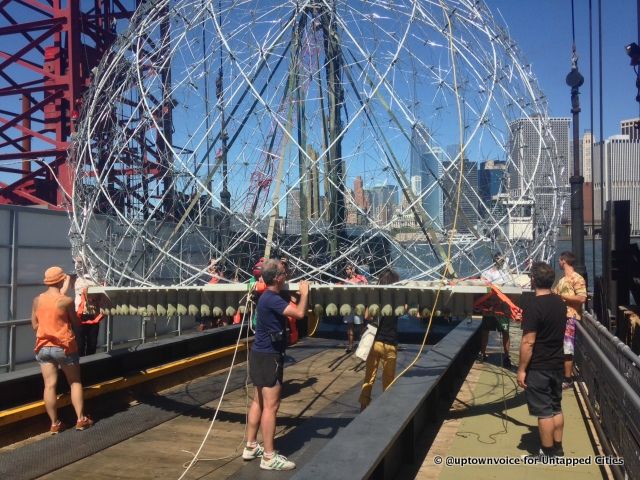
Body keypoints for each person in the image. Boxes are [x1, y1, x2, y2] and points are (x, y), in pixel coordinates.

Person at [244, 259, 309, 471]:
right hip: (270, 356)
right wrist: (305, 293)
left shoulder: (267, 297)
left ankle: (251, 445)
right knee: (271, 406)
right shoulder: (272, 299)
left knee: (258, 401)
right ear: (279, 278)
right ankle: (269, 457)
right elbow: (299, 314)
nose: (287, 273)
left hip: (258, 353)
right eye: (284, 272)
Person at [32, 266, 94, 433]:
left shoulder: (37, 300)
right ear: (60, 280)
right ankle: (81, 419)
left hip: (43, 347)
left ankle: (54, 424)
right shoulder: (66, 301)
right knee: (74, 382)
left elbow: (35, 325)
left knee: (50, 386)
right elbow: (76, 322)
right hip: (64, 347)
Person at [517, 261, 567, 458]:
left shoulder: (534, 307)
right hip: (557, 362)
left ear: (533, 280)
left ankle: (546, 453)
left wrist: (521, 369)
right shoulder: (559, 303)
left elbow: (528, 342)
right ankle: (558, 448)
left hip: (539, 365)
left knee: (544, 411)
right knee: (556, 406)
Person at [359, 268, 400, 411]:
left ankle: (363, 407)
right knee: (388, 380)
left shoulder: (376, 298)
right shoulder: (397, 299)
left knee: (369, 378)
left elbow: (366, 317)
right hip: (391, 344)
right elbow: (408, 310)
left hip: (375, 343)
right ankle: (386, 409)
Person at [552, 251, 587, 389]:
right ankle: (563, 375)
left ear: (563, 261)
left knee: (568, 349)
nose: (559, 263)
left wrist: (563, 297)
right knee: (562, 347)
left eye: (560, 261)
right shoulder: (562, 280)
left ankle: (568, 378)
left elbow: (582, 298)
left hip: (571, 318)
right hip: (561, 317)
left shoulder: (577, 278)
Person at [479, 253, 512, 367]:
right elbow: (482, 282)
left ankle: (507, 355)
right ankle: (482, 353)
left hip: (502, 307)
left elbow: (510, 285)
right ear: (494, 259)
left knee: (505, 331)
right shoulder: (487, 272)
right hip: (489, 306)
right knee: (485, 331)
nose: (500, 261)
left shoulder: (506, 273)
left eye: (502, 259)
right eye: (498, 258)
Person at [73, 260, 103, 356]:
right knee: (80, 344)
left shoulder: (96, 280)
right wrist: (80, 260)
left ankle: (89, 364)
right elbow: (79, 269)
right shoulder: (79, 279)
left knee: (92, 343)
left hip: (93, 315)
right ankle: (81, 365)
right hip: (80, 315)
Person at [343, 264, 368, 353]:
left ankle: (363, 344)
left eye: (348, 269)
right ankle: (350, 345)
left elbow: (366, 286)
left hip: (358, 305)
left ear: (353, 269)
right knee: (349, 326)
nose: (346, 271)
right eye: (346, 269)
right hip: (349, 306)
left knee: (360, 326)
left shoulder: (361, 278)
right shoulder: (346, 280)